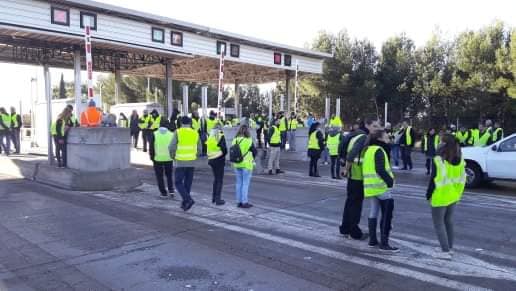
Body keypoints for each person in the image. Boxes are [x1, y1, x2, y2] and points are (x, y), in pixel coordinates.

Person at [339, 116, 382, 240]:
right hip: (357, 175)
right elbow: (352, 154)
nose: (377, 128)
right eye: (374, 126)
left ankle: (345, 228)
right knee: (356, 205)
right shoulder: (364, 137)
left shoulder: (356, 134)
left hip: (353, 174)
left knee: (350, 203)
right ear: (367, 125)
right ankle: (354, 232)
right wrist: (346, 169)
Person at [426, 133, 466, 260]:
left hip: (440, 196)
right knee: (448, 221)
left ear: (443, 144)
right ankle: (450, 248)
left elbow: (433, 180)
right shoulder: (460, 159)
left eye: (440, 140)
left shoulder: (438, 159)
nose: (438, 142)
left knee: (439, 224)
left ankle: (445, 252)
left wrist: (428, 195)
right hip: (453, 195)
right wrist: (458, 195)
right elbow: (462, 179)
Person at [364, 130, 398, 252]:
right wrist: (390, 181)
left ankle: (372, 240)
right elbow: (380, 169)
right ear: (379, 139)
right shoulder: (379, 150)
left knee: (373, 211)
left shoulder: (369, 150)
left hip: (371, 187)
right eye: (385, 136)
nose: (388, 137)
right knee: (387, 214)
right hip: (380, 186)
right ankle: (384, 243)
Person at [169, 116, 202, 211]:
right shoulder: (195, 133)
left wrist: (173, 156)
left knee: (178, 182)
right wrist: (195, 155)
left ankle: (188, 199)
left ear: (181, 123)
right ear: (190, 123)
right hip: (191, 162)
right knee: (187, 183)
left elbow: (171, 147)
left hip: (180, 162)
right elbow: (200, 148)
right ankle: (184, 204)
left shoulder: (178, 132)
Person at [232, 124, 257, 208]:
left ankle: (238, 202)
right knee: (245, 184)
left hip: (236, 164)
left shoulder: (234, 140)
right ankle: (244, 202)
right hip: (246, 164)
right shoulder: (248, 140)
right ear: (247, 131)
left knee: (239, 183)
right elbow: (255, 151)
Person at [149, 119, 175, 199]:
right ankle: (171, 191)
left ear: (160, 124)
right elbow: (173, 147)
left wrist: (152, 157)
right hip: (169, 158)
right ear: (167, 125)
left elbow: (151, 147)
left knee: (159, 176)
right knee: (169, 175)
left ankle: (163, 193)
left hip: (158, 159)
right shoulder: (171, 134)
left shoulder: (154, 134)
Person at [206, 123, 227, 205]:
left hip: (211, 159)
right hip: (219, 159)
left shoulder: (210, 136)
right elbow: (224, 149)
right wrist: (222, 156)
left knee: (215, 179)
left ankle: (214, 198)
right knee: (219, 180)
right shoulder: (220, 135)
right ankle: (218, 199)